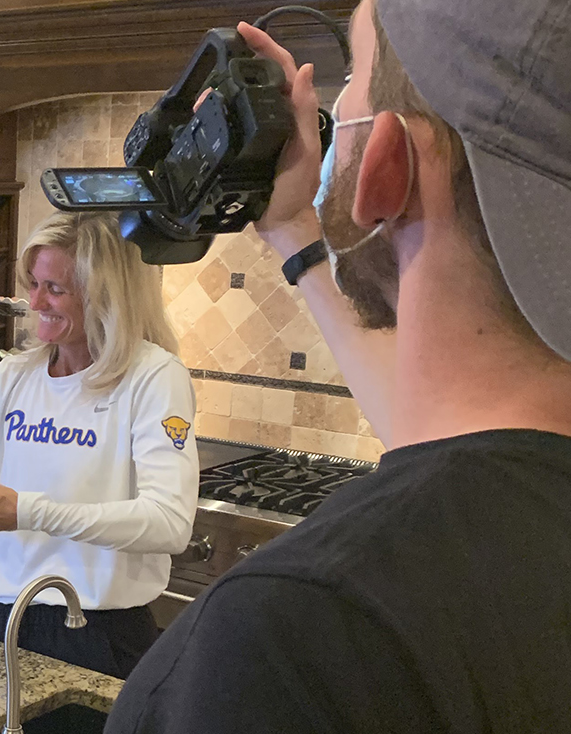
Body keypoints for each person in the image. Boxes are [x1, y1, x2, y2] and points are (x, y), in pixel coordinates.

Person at [106, 0, 571, 730]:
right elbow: (454, 445)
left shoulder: (295, 631)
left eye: (351, 80)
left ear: (385, 163)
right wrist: (293, 228)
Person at [0, 211, 198, 679]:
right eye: (34, 283)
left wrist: (28, 512)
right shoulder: (15, 374)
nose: (36, 301)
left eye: (55, 289)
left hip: (99, 635)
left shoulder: (153, 377)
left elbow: (169, 524)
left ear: (106, 294)